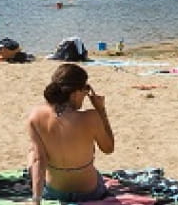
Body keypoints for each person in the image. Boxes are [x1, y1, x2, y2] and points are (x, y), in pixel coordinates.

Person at [25, 64, 115, 203]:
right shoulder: (91, 117)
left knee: (33, 151)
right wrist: (101, 110)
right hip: (89, 192)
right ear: (75, 93)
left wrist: (36, 198)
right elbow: (108, 148)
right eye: (85, 88)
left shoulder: (35, 116)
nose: (86, 93)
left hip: (55, 191)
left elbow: (38, 160)